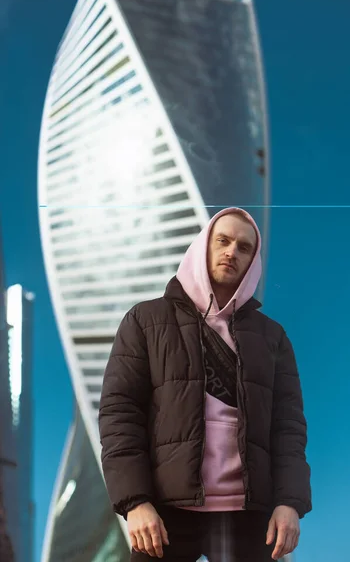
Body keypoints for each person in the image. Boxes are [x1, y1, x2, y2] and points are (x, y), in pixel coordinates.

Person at [99, 207, 312, 562]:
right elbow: (119, 414)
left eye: (244, 248)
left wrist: (290, 502)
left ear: (253, 261)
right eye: (223, 241)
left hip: (249, 514)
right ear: (203, 247)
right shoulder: (146, 320)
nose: (232, 252)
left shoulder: (272, 336)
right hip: (165, 512)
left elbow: (288, 428)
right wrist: (135, 501)